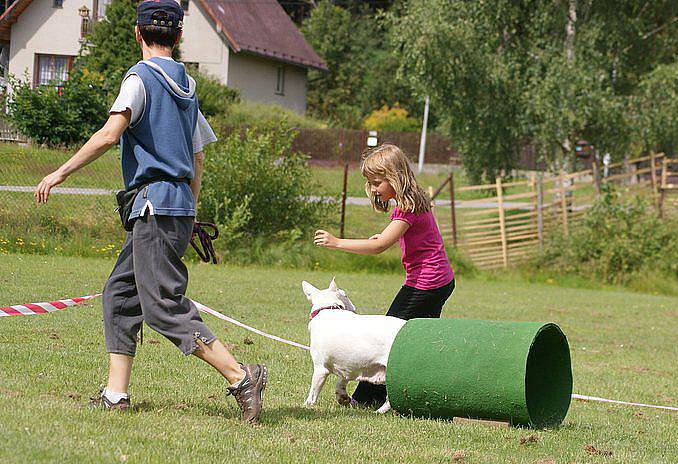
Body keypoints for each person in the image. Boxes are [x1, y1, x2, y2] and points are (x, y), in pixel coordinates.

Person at [34, 0, 267, 423]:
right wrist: (190, 211)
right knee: (121, 296)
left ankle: (241, 375)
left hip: (154, 206)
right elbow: (197, 158)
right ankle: (115, 395)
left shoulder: (138, 79)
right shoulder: (189, 87)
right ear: (178, 38)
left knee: (161, 306)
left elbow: (109, 135)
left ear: (137, 34)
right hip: (173, 208)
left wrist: (61, 171)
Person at [314, 143, 455, 407]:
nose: (374, 189)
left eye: (377, 182)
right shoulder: (413, 200)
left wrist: (337, 242)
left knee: (386, 337)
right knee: (416, 340)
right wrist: (384, 234)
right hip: (438, 280)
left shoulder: (407, 207)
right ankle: (418, 392)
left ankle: (365, 399)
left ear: (394, 177)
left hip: (427, 283)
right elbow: (406, 235)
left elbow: (379, 247)